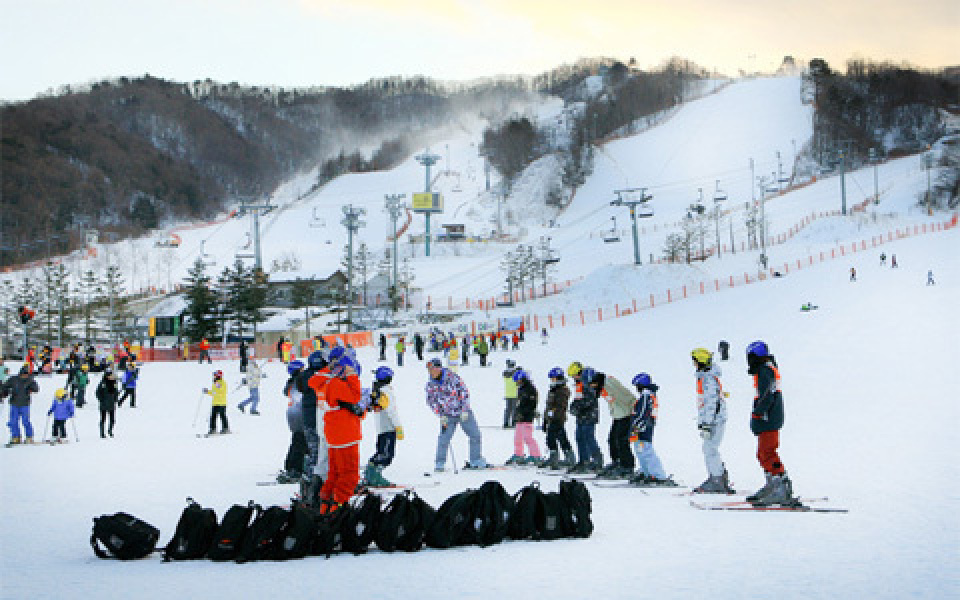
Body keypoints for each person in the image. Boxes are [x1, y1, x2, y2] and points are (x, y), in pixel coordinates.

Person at [745, 341, 797, 506]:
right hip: (769, 417)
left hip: (769, 417)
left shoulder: (765, 370)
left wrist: (758, 413)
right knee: (762, 453)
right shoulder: (766, 369)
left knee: (767, 452)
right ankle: (772, 484)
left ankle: (781, 487)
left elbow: (767, 395)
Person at [318, 353, 363, 512]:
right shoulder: (337, 384)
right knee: (349, 476)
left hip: (333, 436)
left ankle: (325, 508)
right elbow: (355, 397)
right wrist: (352, 375)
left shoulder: (325, 383)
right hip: (345, 437)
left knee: (335, 475)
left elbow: (349, 406)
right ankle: (337, 511)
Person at [425, 357, 487, 471]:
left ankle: (475, 460)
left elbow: (464, 393)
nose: (430, 372)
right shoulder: (430, 384)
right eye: (429, 369)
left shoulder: (453, 378)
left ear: (439, 368)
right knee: (444, 439)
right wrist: (440, 414)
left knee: (475, 435)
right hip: (447, 415)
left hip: (463, 412)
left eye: (432, 369)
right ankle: (439, 463)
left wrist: (464, 410)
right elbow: (431, 401)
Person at [691, 347, 733, 493]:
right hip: (714, 419)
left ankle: (717, 479)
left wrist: (707, 424)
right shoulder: (706, 377)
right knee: (709, 448)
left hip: (715, 420)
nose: (693, 364)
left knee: (710, 448)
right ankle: (717, 476)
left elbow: (711, 403)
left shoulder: (707, 379)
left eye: (695, 361)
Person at [628, 373, 675, 486]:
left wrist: (637, 425)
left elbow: (643, 413)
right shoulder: (647, 395)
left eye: (637, 386)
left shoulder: (646, 396)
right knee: (640, 451)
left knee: (646, 451)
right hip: (642, 427)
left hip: (643, 428)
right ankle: (647, 472)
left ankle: (659, 476)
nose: (636, 388)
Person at [363, 366, 403, 487]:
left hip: (381, 427)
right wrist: (398, 426)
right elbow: (391, 410)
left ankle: (370, 474)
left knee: (381, 451)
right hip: (388, 427)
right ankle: (375, 476)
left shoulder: (377, 390)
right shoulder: (386, 391)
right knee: (387, 454)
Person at [301, 350, 332, 507]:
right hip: (315, 421)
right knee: (317, 454)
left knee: (317, 453)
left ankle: (312, 486)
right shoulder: (317, 378)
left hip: (313, 421)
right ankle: (311, 489)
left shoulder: (307, 376)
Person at [598, 371, 636, 479]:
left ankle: (627, 466)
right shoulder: (602, 387)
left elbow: (627, 397)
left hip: (625, 415)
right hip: (618, 415)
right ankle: (617, 461)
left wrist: (632, 411)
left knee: (622, 440)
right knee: (612, 439)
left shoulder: (609, 384)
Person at [539, 367, 577, 469]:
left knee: (553, 438)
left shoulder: (562, 390)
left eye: (554, 378)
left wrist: (554, 416)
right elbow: (549, 406)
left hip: (558, 419)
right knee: (559, 437)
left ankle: (558, 458)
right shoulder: (553, 389)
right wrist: (546, 419)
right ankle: (564, 458)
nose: (552, 380)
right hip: (552, 418)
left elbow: (560, 406)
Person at [505, 369, 542, 466]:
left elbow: (531, 404)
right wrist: (518, 413)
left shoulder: (531, 389)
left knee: (527, 437)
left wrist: (525, 412)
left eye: (518, 380)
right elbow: (520, 403)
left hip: (527, 417)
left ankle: (536, 456)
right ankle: (519, 454)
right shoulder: (521, 389)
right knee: (518, 437)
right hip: (520, 417)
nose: (517, 382)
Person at [278, 360, 307, 483]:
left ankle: (291, 465)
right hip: (299, 415)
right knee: (300, 441)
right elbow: (300, 398)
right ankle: (295, 468)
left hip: (293, 415)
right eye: (302, 368)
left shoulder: (292, 382)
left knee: (297, 440)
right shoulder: (297, 382)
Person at [3, 365, 39, 444]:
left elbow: (36, 388)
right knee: (13, 421)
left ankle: (29, 436)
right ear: (20, 373)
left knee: (25, 421)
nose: (25, 376)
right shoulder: (14, 379)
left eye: (26, 374)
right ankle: (16, 437)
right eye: (23, 374)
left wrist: (32, 388)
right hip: (14, 403)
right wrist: (4, 391)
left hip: (25, 404)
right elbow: (5, 386)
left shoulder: (30, 380)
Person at [202, 370, 229, 435]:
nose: (214, 377)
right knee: (213, 416)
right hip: (215, 402)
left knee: (222, 416)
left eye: (215, 376)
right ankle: (212, 429)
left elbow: (221, 390)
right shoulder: (215, 383)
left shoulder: (223, 383)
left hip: (222, 403)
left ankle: (225, 428)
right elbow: (214, 392)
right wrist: (207, 391)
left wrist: (216, 384)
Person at [96, 367, 119, 438]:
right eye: (111, 375)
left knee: (112, 419)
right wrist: (101, 399)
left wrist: (115, 399)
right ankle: (102, 432)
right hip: (104, 403)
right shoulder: (103, 383)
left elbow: (116, 392)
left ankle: (110, 430)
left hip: (111, 403)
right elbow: (97, 392)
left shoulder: (114, 383)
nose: (112, 377)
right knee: (103, 418)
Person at [502, 359, 519, 428]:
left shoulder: (506, 374)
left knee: (508, 409)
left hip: (508, 394)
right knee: (514, 409)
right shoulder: (514, 374)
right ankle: (513, 422)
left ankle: (506, 422)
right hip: (514, 394)